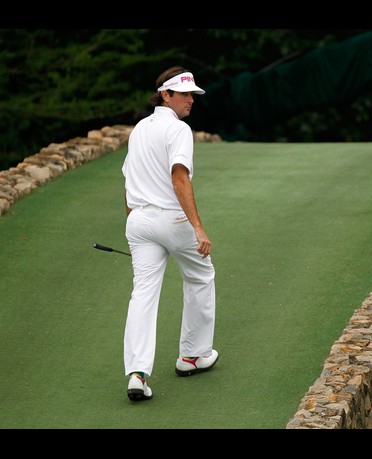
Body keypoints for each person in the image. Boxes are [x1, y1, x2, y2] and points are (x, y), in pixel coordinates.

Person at [121, 66, 218, 402]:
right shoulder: (178, 130)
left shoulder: (139, 129)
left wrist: (134, 223)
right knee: (200, 275)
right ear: (166, 95)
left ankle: (137, 374)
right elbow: (180, 178)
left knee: (143, 294)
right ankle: (192, 356)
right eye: (185, 94)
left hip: (139, 221)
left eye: (193, 94)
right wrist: (198, 227)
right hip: (171, 220)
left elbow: (128, 180)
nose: (191, 100)